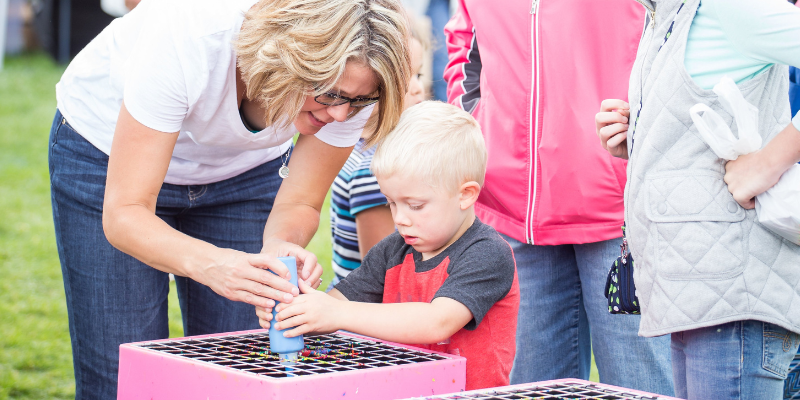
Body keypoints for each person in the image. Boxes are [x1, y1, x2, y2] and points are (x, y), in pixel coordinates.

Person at [49, 0, 411, 398]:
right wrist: (214, 264)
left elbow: (300, 203)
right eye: (329, 96)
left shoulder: (355, 83)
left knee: (235, 377)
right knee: (122, 374)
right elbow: (125, 214)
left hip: (242, 172)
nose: (342, 116)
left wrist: (279, 247)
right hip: (105, 150)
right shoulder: (190, 38)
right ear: (287, 58)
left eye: (358, 101)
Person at [443, 0, 674, 395]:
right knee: (531, 388)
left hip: (619, 210)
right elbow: (466, 39)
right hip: (511, 212)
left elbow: (678, 28)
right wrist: (475, 124)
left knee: (643, 387)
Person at [596, 0, 800, 398]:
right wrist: (637, 140)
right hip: (693, 296)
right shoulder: (666, 14)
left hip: (735, 304)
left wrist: (771, 162)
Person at [258, 101, 520, 390]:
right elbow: (338, 303)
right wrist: (296, 308)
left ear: (466, 195)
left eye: (416, 205)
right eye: (391, 203)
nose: (400, 218)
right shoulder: (392, 250)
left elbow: (438, 321)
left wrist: (334, 314)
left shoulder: (487, 253)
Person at [329, 24, 428, 284]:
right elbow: (381, 274)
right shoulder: (377, 173)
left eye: (420, 74)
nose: (418, 88)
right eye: (406, 79)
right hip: (363, 314)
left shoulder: (359, 149)